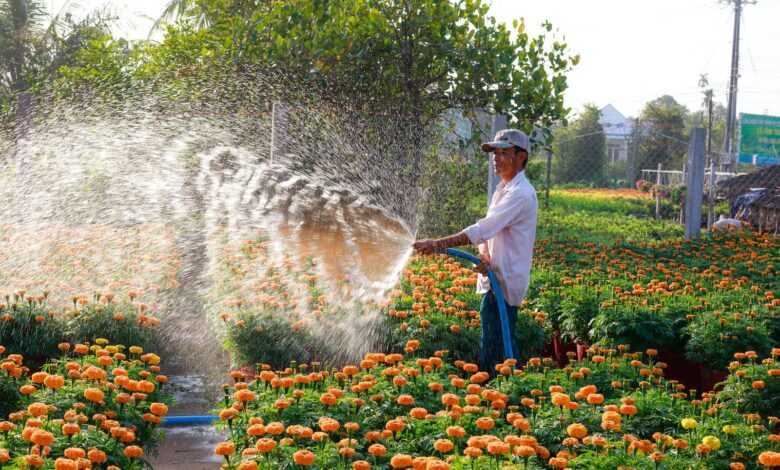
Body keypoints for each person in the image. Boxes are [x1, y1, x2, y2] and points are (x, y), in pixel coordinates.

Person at [413, 129, 538, 373]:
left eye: (503, 152)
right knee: (496, 342)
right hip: (494, 278)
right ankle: (502, 391)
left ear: (521, 157)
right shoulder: (504, 190)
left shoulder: (521, 194)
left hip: (505, 282)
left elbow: (483, 228)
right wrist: (484, 254)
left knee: (499, 349)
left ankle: (505, 394)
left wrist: (437, 244)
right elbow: (488, 231)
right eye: (494, 153)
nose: (496, 158)